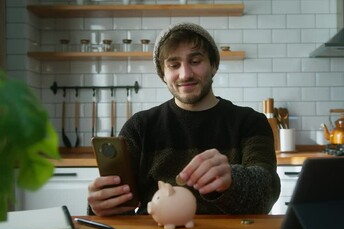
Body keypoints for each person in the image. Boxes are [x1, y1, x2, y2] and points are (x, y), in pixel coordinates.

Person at [87, 22, 281, 216]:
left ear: (213, 66)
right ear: (163, 74)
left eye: (195, 61)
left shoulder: (250, 122)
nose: (185, 74)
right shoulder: (140, 127)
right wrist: (100, 205)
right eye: (173, 65)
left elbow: (267, 192)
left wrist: (232, 180)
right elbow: (119, 205)